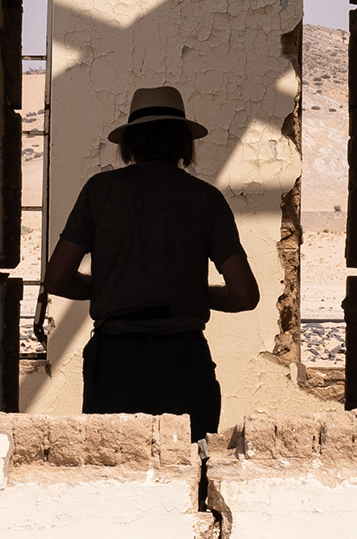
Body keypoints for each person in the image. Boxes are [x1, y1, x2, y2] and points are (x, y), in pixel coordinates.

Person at [44, 86, 259, 443]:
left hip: (115, 361)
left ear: (130, 143)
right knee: (188, 464)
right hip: (183, 360)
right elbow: (244, 295)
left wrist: (118, 287)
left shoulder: (100, 192)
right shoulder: (205, 199)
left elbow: (57, 278)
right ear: (183, 143)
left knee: (115, 465)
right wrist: (184, 292)